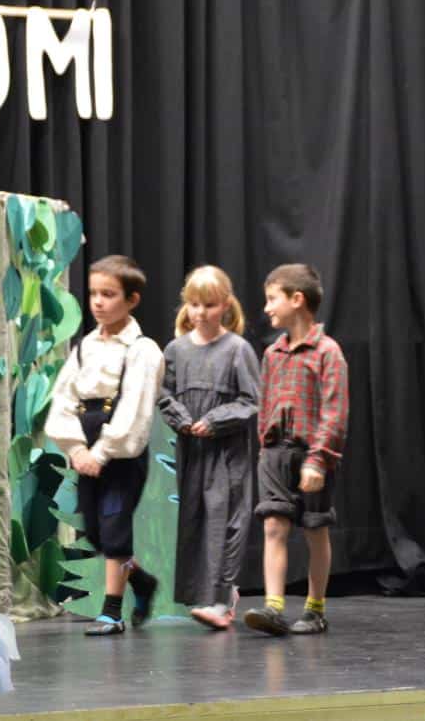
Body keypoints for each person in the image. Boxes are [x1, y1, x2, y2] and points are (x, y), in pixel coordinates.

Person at [46, 255, 165, 635]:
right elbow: (63, 398)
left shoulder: (142, 350)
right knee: (97, 533)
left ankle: (112, 612)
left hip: (120, 451)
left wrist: (101, 452)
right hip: (86, 445)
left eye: (109, 294)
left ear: (131, 300)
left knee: (115, 526)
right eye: (94, 293)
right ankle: (141, 581)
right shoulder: (86, 347)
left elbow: (134, 409)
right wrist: (76, 449)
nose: (98, 302)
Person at [243, 264, 348, 636]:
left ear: (297, 299)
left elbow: (335, 411)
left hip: (312, 455)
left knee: (315, 529)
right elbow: (265, 404)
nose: (267, 308)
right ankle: (273, 607)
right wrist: (264, 447)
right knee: (273, 524)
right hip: (275, 453)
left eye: (273, 299)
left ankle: (315, 609)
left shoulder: (327, 352)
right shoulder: (273, 353)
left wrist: (318, 459)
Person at [158, 265, 259, 630]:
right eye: (195, 304)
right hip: (191, 451)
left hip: (226, 452)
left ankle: (223, 597)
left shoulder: (237, 349)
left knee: (226, 519)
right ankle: (202, 594)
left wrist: (215, 420)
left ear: (225, 306)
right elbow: (164, 393)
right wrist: (181, 418)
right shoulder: (176, 350)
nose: (201, 313)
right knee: (194, 521)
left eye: (210, 305)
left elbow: (251, 400)